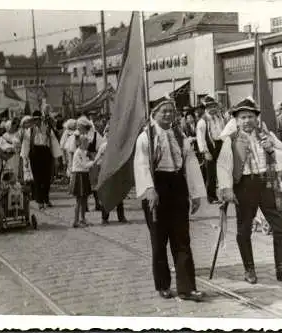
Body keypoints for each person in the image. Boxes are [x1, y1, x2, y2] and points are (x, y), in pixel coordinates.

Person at [217, 97, 282, 284]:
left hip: (267, 183)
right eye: (243, 117)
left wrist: (271, 150)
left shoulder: (266, 135)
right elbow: (223, 166)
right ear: (236, 120)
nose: (247, 121)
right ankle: (249, 269)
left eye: (250, 117)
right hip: (244, 186)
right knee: (244, 229)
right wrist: (226, 188)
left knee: (279, 225)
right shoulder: (232, 140)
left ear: (256, 118)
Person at [134, 98, 206, 302]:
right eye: (163, 111)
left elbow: (190, 163)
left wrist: (195, 193)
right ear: (154, 114)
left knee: (182, 239)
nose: (168, 115)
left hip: (177, 185)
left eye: (171, 111)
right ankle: (163, 284)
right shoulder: (145, 137)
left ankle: (187, 288)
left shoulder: (179, 135)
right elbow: (141, 164)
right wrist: (149, 189)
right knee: (159, 240)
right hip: (157, 187)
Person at [21, 110, 62, 210]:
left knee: (47, 178)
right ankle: (39, 201)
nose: (36, 121)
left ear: (41, 119)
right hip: (35, 154)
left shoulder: (47, 129)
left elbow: (54, 143)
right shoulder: (29, 131)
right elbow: (26, 145)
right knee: (37, 178)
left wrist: (56, 159)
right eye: (34, 120)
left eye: (38, 119)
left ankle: (46, 199)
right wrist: (25, 159)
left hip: (46, 154)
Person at [95, 124, 128, 225]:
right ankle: (105, 218)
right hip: (107, 174)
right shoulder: (104, 146)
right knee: (107, 196)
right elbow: (97, 160)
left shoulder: (119, 146)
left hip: (117, 173)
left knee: (119, 196)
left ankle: (121, 217)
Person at [196, 96, 226, 203]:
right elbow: (200, 138)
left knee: (223, 172)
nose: (213, 108)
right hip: (210, 147)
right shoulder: (202, 121)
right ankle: (211, 197)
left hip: (220, 145)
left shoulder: (220, 117)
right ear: (206, 108)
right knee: (211, 174)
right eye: (210, 107)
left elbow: (223, 131)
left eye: (214, 106)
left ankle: (224, 195)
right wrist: (205, 152)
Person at [69, 134, 96, 228]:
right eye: (85, 142)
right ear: (80, 143)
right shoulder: (78, 152)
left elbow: (86, 165)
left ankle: (83, 219)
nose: (87, 143)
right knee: (79, 200)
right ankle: (75, 221)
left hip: (84, 175)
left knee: (84, 199)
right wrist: (94, 161)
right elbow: (84, 165)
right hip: (78, 176)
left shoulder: (83, 152)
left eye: (87, 142)